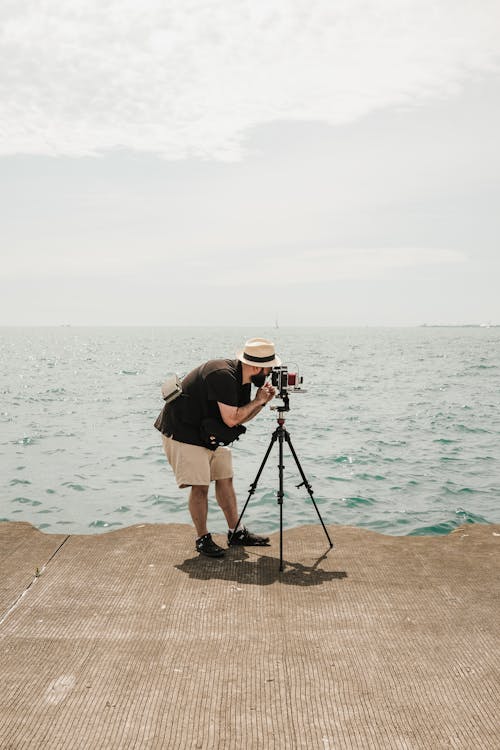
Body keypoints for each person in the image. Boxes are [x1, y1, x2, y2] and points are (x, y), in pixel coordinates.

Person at [154, 338, 280, 558]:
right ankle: (202, 538)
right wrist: (257, 401)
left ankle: (235, 532)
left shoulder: (244, 379)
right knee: (200, 486)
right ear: (257, 367)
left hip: (210, 431)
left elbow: (241, 417)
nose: (270, 374)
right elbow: (232, 419)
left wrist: (261, 402)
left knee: (225, 477)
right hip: (184, 432)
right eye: (268, 369)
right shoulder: (222, 375)